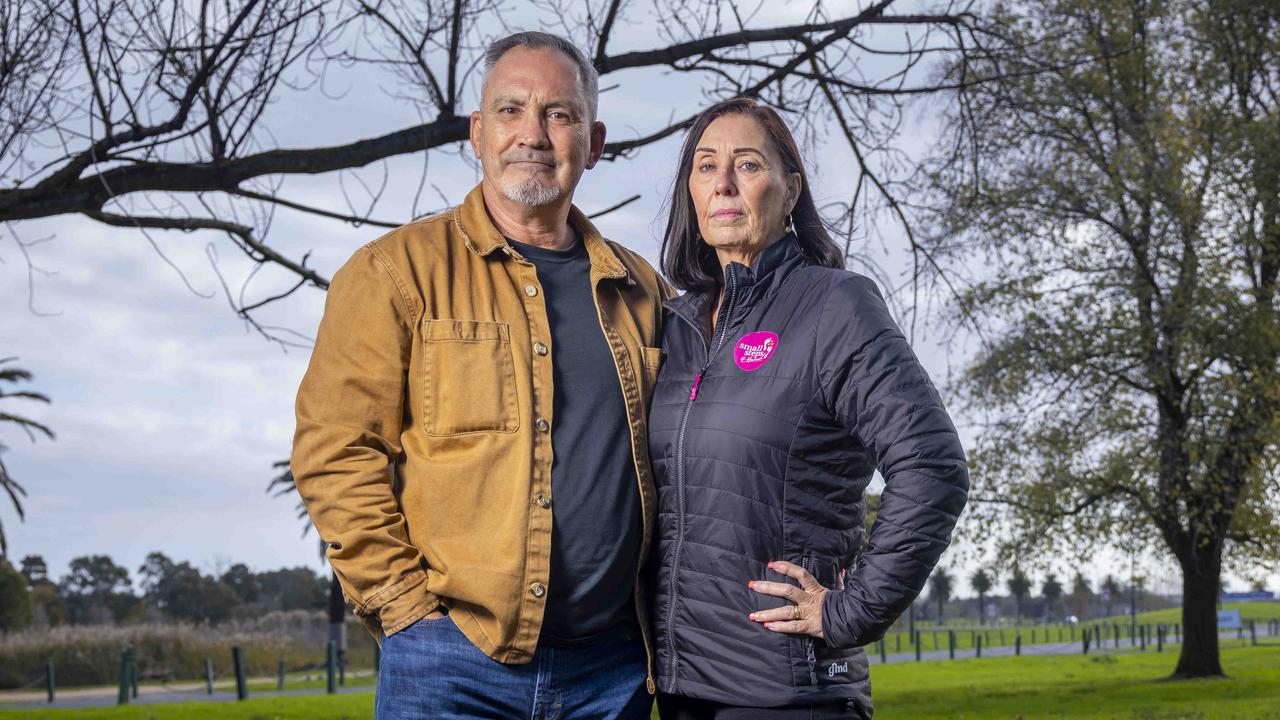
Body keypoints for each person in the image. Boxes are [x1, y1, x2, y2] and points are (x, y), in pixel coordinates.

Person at [291, 31, 670, 719]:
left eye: (560, 114)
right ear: (477, 132)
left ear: (595, 141)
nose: (534, 133)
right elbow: (334, 451)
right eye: (510, 110)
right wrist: (406, 612)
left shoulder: (645, 292)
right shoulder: (394, 273)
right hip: (449, 667)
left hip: (611, 673)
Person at [647, 97, 970, 719]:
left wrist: (850, 611)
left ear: (789, 188)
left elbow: (932, 466)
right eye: (705, 166)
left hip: (789, 691)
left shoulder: (835, 308)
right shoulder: (679, 325)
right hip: (683, 691)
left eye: (746, 164)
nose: (722, 184)